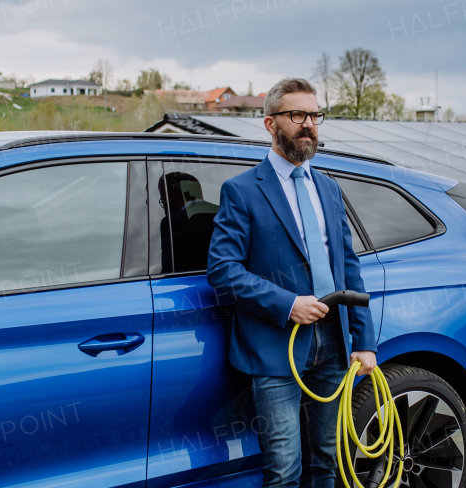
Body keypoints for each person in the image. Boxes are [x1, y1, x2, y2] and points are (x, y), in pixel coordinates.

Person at [206, 78, 376, 488]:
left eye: (315, 115)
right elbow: (222, 270)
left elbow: (348, 268)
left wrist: (364, 341)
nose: (309, 125)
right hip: (276, 348)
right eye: (297, 115)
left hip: (333, 346)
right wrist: (287, 304)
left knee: (330, 462)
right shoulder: (242, 191)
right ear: (270, 123)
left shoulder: (330, 189)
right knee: (284, 471)